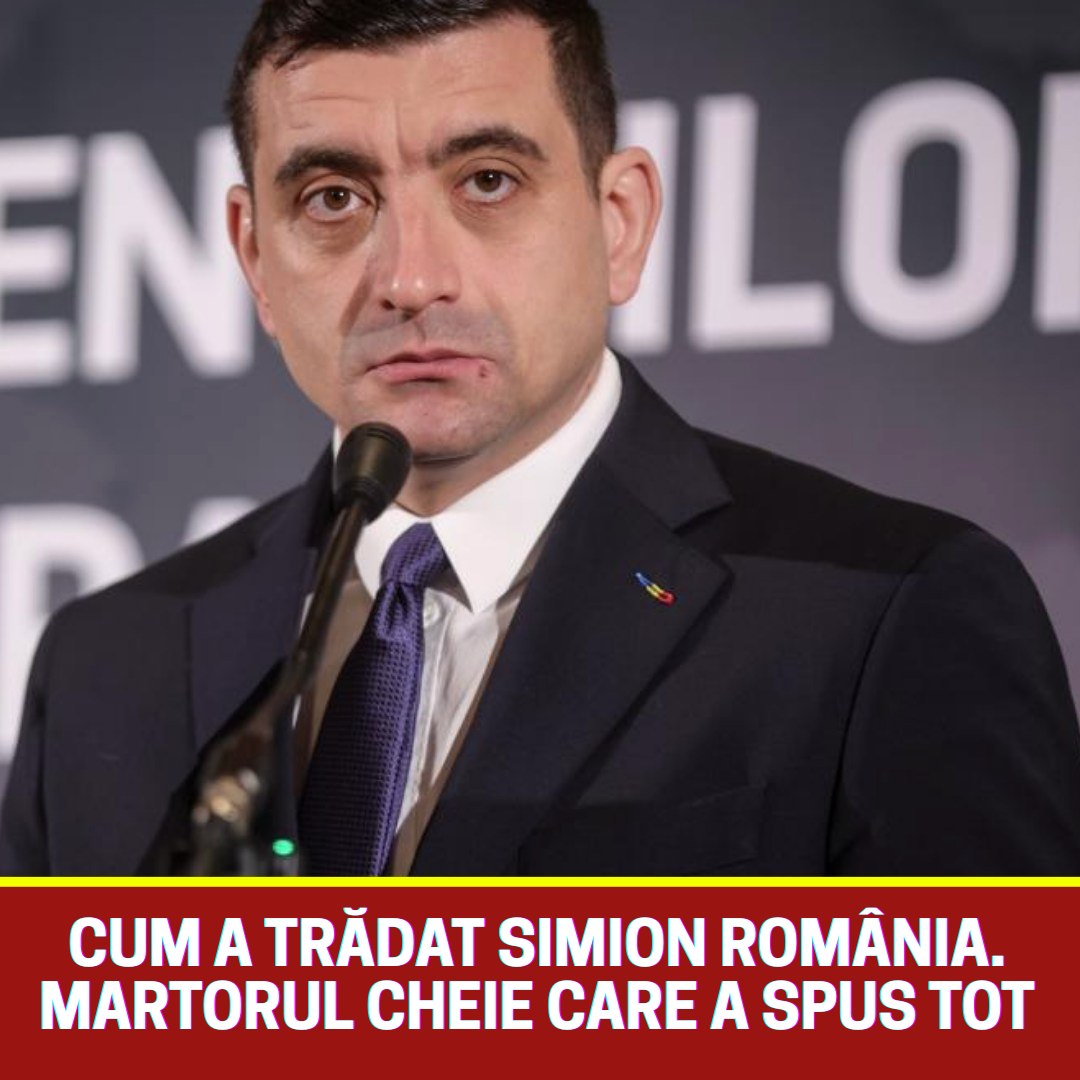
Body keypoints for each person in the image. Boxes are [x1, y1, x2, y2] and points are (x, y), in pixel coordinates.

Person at [2, 0, 1079, 876]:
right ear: (253, 257)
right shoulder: (109, 663)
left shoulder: (886, 614)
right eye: (333, 197)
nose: (410, 277)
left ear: (621, 223)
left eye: (487, 181)